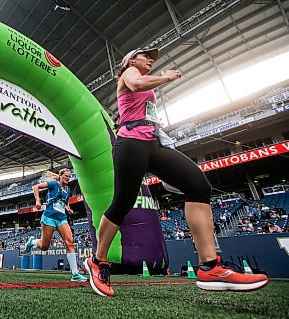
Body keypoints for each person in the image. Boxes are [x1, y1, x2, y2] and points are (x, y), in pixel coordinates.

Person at [84, 48, 269, 297]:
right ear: (130, 60)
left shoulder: (142, 77)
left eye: (152, 57)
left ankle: (210, 267)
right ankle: (98, 261)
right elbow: (137, 85)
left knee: (199, 187)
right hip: (130, 142)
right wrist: (166, 77)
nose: (150, 59)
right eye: (145, 56)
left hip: (154, 142)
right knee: (123, 202)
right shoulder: (129, 72)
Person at [25, 169, 87, 282]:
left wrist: (68, 209)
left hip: (61, 218)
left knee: (70, 242)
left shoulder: (67, 189)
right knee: (44, 246)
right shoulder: (54, 184)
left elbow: (64, 202)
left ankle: (75, 274)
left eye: (69, 176)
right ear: (60, 176)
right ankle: (32, 242)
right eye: (66, 176)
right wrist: (38, 201)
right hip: (49, 216)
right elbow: (36, 187)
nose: (68, 178)